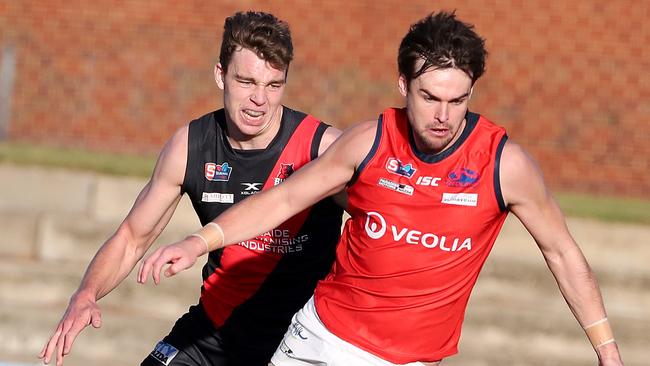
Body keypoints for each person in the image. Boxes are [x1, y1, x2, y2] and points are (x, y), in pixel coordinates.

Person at [139, 11, 624, 366]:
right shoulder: (368, 142)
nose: (442, 116)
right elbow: (284, 198)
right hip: (318, 340)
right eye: (429, 97)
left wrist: (607, 351)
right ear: (402, 85)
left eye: (457, 100)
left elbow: (561, 252)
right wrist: (200, 240)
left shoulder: (504, 165)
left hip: (407, 359)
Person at [39, 11, 344, 366]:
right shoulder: (190, 146)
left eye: (273, 85)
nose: (259, 99)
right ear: (220, 75)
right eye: (246, 81)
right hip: (214, 331)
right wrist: (85, 294)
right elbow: (132, 238)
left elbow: (387, 219)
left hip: (296, 342)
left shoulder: (322, 148)